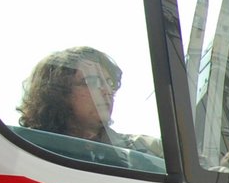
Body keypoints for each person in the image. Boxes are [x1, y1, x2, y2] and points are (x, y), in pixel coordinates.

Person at [17, 46, 162, 165]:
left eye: (109, 83)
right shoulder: (22, 152)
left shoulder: (150, 149)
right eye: (92, 82)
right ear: (57, 92)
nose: (107, 91)